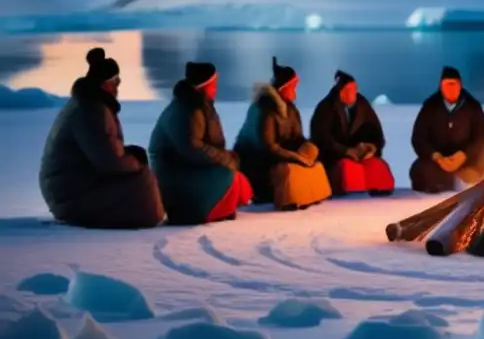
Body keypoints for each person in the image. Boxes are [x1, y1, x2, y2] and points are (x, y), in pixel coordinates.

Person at [39, 48, 164, 229]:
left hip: (67, 189)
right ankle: (145, 217)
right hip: (70, 195)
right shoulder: (92, 111)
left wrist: (128, 154)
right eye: (116, 81)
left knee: (140, 176)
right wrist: (136, 161)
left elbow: (105, 151)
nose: (118, 85)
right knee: (141, 178)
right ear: (105, 84)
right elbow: (109, 162)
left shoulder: (88, 104)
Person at [149, 61, 252, 225]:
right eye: (213, 84)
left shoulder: (199, 105)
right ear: (204, 86)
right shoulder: (189, 110)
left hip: (188, 167)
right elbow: (192, 148)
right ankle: (202, 212)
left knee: (237, 180)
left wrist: (225, 158)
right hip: (174, 174)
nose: (215, 88)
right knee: (229, 177)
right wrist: (225, 158)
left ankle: (217, 208)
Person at [234, 58, 331, 210]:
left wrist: (306, 149)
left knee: (314, 164)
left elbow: (296, 138)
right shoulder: (265, 109)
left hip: (279, 155)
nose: (295, 91)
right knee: (288, 170)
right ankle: (285, 196)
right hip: (258, 162)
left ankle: (305, 195)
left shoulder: (290, 109)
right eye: (293, 86)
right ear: (283, 87)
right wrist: (296, 157)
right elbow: (268, 147)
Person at [409, 66, 484, 193]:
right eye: (446, 85)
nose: (450, 88)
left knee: (483, 167)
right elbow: (418, 138)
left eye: (453, 84)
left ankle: (463, 183)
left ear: (460, 85)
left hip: (466, 160)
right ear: (441, 86)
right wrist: (436, 156)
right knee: (419, 170)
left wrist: (464, 155)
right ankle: (447, 183)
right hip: (439, 162)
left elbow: (482, 138)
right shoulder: (430, 106)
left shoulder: (472, 106)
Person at [310, 70, 394, 196]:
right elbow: (322, 138)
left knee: (377, 166)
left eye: (355, 89)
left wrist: (371, 148)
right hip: (336, 158)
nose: (354, 93)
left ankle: (379, 192)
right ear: (341, 91)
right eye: (350, 89)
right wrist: (346, 151)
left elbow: (376, 131)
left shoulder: (362, 104)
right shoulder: (326, 108)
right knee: (349, 170)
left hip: (361, 155)